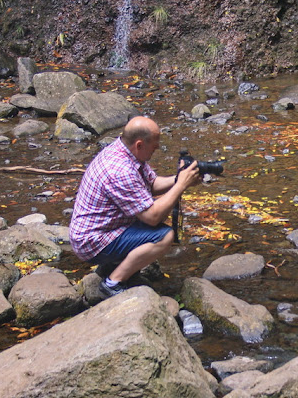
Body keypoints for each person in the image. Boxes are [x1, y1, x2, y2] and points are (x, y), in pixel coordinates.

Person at [69, 116, 200, 298]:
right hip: (92, 240)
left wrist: (181, 178)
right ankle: (113, 282)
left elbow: (151, 184)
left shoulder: (125, 151)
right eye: (154, 146)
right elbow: (153, 217)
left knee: (150, 227)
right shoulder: (120, 171)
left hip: (104, 227)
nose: (156, 150)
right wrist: (180, 186)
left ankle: (111, 265)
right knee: (164, 236)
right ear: (139, 144)